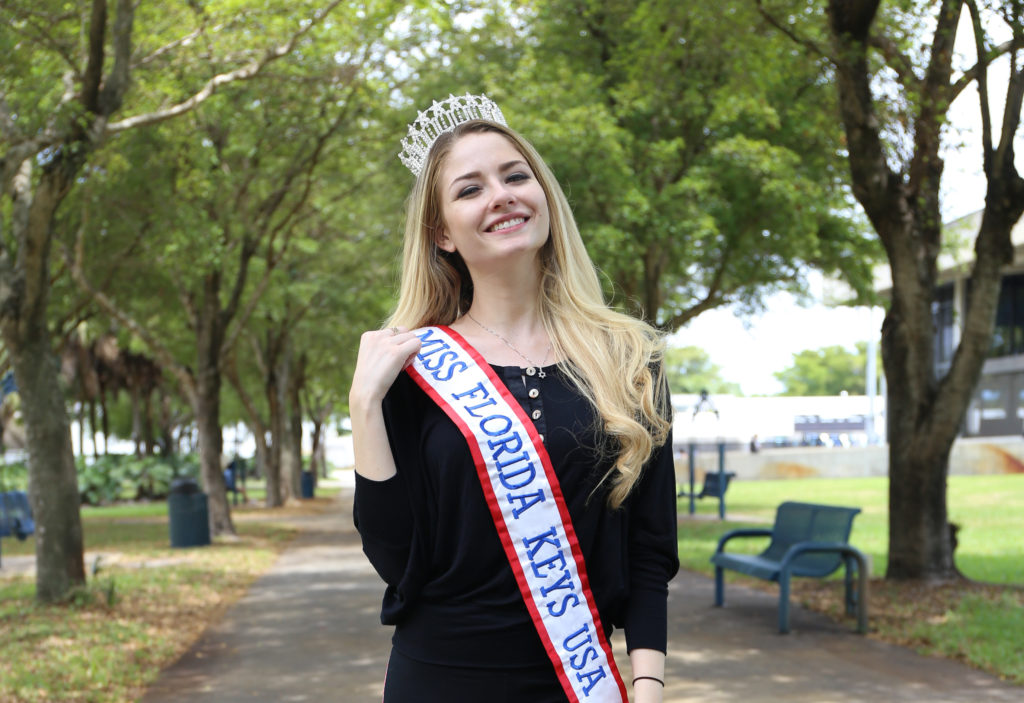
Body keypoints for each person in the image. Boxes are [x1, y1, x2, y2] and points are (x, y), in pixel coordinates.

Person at [350, 94, 678, 703]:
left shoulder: (628, 358)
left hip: (577, 683)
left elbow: (650, 550)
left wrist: (650, 684)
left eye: (516, 176)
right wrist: (365, 404)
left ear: (544, 196)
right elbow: (397, 559)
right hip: (439, 682)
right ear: (441, 232)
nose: (501, 195)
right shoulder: (412, 368)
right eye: (469, 189)